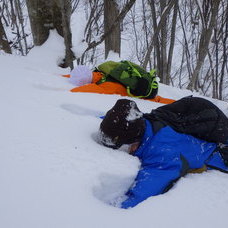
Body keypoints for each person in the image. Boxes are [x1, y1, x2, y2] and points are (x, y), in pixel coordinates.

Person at [98, 97, 228, 209]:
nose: (122, 152)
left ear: (134, 142)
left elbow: (147, 188)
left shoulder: (163, 150)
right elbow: (119, 121)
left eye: (122, 147)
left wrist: (110, 209)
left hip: (221, 151)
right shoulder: (143, 122)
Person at [63, 65, 175, 105]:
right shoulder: (101, 72)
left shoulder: (105, 87)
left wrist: (67, 92)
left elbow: (83, 89)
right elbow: (80, 75)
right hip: (135, 86)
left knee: (157, 101)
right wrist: (64, 76)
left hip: (140, 94)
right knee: (159, 99)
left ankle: (183, 103)